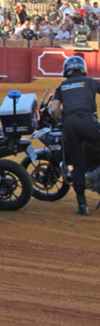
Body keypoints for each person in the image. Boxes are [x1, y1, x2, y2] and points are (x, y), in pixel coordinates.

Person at [51, 56, 100, 216]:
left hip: (70, 125)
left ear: (67, 70)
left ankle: (82, 206)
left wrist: (60, 122)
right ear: (83, 68)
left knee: (78, 166)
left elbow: (54, 110)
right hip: (88, 120)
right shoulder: (90, 82)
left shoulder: (62, 86)